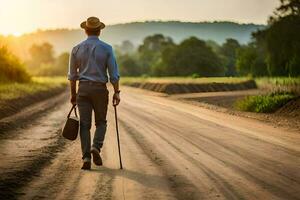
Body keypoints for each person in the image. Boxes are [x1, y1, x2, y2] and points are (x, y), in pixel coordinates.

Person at [68, 17, 120, 170]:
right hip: (99, 90)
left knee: (84, 125)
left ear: (85, 30)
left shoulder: (76, 49)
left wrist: (73, 95)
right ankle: (96, 147)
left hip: (83, 89)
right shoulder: (107, 48)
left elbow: (72, 76)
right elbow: (114, 75)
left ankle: (86, 158)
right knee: (101, 122)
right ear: (100, 31)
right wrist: (117, 92)